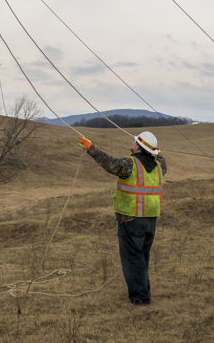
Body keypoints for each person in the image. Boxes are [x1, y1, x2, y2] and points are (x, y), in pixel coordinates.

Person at [77, 131, 166, 306]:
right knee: (142, 258)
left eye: (135, 143)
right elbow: (161, 157)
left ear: (139, 147)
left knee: (133, 259)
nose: (132, 144)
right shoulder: (159, 166)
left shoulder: (130, 164)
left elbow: (110, 163)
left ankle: (141, 299)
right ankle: (143, 291)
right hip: (150, 220)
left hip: (130, 219)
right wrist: (155, 150)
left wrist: (90, 148)